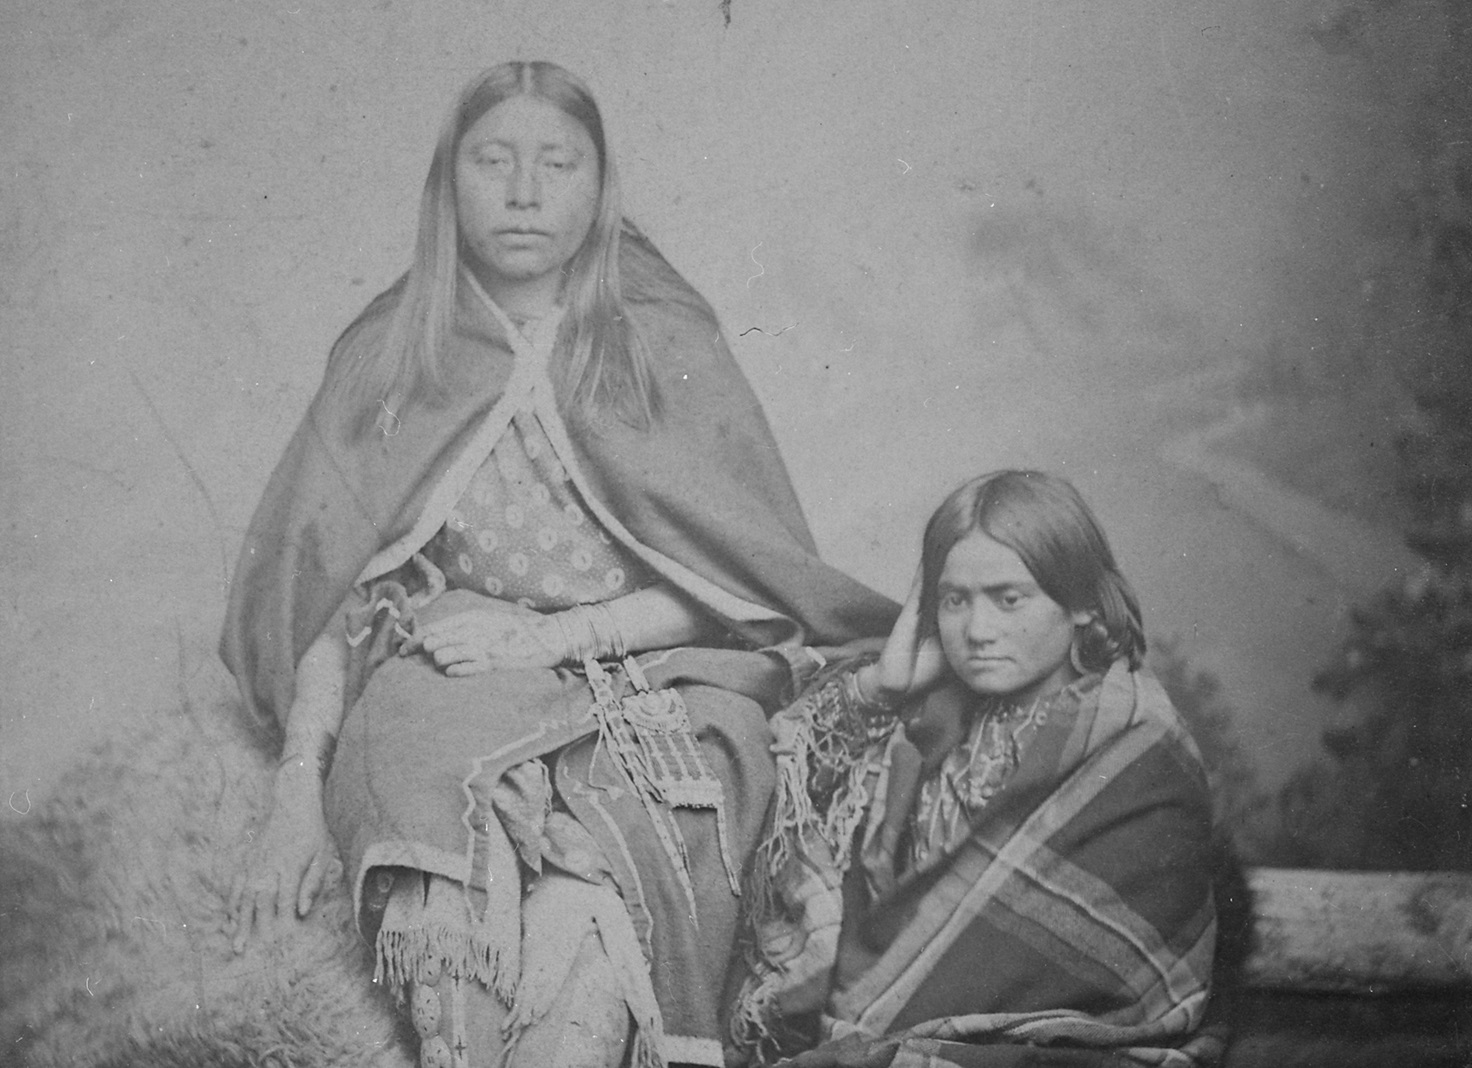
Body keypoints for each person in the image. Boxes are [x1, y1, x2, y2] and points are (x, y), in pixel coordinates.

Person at [219, 60, 896, 1068]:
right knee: (431, 853)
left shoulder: (658, 339)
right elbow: (321, 589)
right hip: (453, 670)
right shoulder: (392, 351)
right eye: (494, 161)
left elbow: (743, 584)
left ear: (600, 185)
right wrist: (293, 794)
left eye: (558, 164)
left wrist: (554, 637)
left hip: (660, 669)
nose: (525, 192)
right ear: (448, 183)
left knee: (603, 897)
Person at [732, 471, 1221, 1068]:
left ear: (1082, 604)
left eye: (1009, 599)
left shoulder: (1136, 745)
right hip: (882, 1036)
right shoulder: (930, 720)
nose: (978, 632)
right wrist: (883, 685)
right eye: (954, 601)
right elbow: (793, 804)